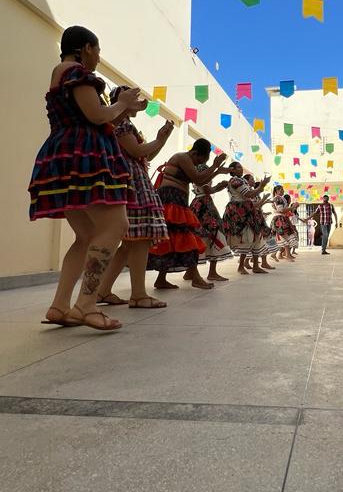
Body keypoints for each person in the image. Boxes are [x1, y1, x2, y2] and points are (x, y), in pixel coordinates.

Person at [28, 25, 144, 331]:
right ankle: (87, 306)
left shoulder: (60, 74)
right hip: (86, 154)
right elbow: (97, 116)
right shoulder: (77, 72)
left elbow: (92, 115)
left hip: (64, 153)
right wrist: (123, 104)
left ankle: (60, 306)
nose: (99, 57)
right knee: (115, 225)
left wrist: (123, 107)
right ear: (87, 48)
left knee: (86, 235)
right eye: (98, 50)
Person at [95, 89, 174, 308]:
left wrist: (162, 139)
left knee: (128, 244)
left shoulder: (121, 123)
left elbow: (143, 155)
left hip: (131, 178)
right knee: (140, 238)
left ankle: (103, 291)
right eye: (134, 98)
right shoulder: (123, 123)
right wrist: (159, 138)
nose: (139, 102)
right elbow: (139, 151)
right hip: (133, 182)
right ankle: (138, 294)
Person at [148, 140, 227, 290]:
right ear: (194, 153)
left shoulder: (187, 161)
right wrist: (215, 166)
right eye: (199, 160)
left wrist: (216, 170)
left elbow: (201, 180)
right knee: (186, 237)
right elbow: (197, 178)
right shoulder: (182, 157)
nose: (197, 164)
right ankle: (195, 277)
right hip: (171, 199)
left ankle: (161, 279)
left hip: (177, 201)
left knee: (172, 238)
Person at [187, 156, 235, 283]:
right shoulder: (203, 171)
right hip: (205, 205)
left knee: (196, 235)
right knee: (215, 235)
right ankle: (212, 273)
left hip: (196, 204)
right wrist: (219, 187)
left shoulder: (196, 171)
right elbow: (208, 189)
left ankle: (190, 271)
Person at [223, 162, 271, 274]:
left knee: (255, 236)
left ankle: (255, 265)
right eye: (238, 167)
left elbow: (250, 195)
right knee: (247, 236)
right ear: (232, 170)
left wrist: (260, 188)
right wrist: (262, 186)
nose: (241, 169)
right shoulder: (235, 181)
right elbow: (248, 194)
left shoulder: (241, 181)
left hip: (248, 210)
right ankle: (241, 266)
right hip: (240, 211)